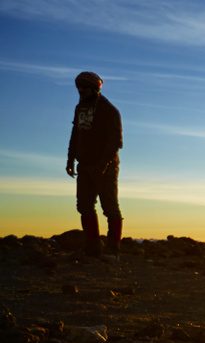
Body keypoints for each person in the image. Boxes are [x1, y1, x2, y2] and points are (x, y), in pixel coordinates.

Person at [66, 71, 122, 257]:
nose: (81, 91)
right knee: (84, 205)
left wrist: (104, 164)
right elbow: (76, 134)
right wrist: (70, 159)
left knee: (110, 207)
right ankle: (92, 245)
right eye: (78, 87)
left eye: (84, 88)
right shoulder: (79, 108)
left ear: (94, 88)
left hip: (105, 166)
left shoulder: (109, 110)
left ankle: (113, 247)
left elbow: (116, 142)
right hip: (84, 164)